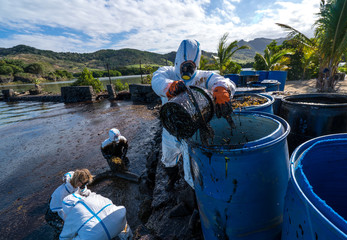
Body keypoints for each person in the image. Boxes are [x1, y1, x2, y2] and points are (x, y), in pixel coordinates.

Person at [151, 39, 236, 191]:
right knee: (168, 157)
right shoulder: (167, 73)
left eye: (191, 65)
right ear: (178, 62)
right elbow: (156, 80)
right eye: (184, 64)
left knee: (190, 164)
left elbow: (223, 80)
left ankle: (192, 195)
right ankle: (172, 179)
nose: (187, 69)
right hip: (170, 125)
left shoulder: (203, 76)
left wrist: (223, 89)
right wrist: (169, 87)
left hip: (192, 129)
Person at [59, 192, 132, 240]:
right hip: (119, 223)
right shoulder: (95, 197)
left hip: (98, 236)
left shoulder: (73, 213)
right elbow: (110, 204)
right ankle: (127, 236)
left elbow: (64, 237)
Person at [46, 169, 93, 234]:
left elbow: (84, 192)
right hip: (54, 213)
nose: (84, 185)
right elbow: (63, 213)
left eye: (86, 183)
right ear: (78, 181)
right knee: (65, 231)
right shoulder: (63, 193)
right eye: (84, 183)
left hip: (58, 203)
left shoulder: (76, 183)